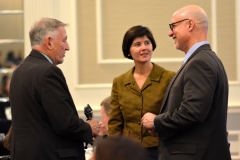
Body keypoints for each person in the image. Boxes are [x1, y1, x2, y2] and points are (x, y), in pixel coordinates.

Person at [141, 5, 231, 160]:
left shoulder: (200, 62)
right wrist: (163, 127)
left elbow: (192, 112)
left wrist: (156, 121)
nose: (170, 33)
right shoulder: (205, 59)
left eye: (173, 26)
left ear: (190, 24)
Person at [9, 17, 100, 160]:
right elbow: (65, 123)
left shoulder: (19, 71)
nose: (67, 46)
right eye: (64, 40)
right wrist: (89, 128)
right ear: (49, 42)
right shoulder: (49, 72)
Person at [108, 25, 175, 160]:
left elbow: (174, 114)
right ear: (128, 50)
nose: (144, 48)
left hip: (160, 148)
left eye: (147, 43)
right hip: (128, 150)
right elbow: (115, 122)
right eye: (137, 44)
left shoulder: (169, 78)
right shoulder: (119, 81)